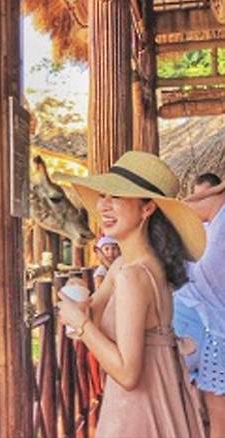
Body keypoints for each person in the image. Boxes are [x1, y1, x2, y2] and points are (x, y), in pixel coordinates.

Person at [57, 151, 206, 437]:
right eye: (103, 195)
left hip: (137, 411)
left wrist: (81, 324)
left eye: (117, 196)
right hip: (163, 398)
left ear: (147, 208)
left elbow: (127, 374)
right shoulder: (132, 265)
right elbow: (93, 312)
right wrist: (80, 301)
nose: (103, 205)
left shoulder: (132, 276)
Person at [173, 173, 225, 438]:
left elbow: (180, 209)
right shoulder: (211, 226)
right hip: (203, 332)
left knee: (215, 419)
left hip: (210, 334)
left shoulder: (218, 225)